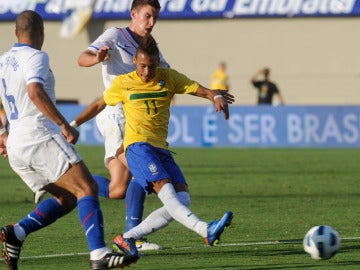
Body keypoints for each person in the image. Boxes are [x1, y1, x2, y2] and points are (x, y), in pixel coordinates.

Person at [71, 35, 234, 256]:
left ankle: (127, 238)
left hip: (161, 149)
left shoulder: (168, 77)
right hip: (138, 147)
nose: (147, 72)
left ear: (158, 62)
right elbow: (99, 104)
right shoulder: (123, 82)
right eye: (142, 66)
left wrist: (215, 96)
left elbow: (199, 89)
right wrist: (72, 124)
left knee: (182, 198)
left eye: (151, 66)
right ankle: (205, 229)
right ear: (135, 61)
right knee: (166, 193)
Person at [0, 10, 138, 270]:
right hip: (38, 137)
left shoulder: (3, 60)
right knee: (87, 188)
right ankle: (99, 254)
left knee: (69, 197)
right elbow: (34, 91)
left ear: (15, 33)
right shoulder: (37, 56)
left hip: (16, 144)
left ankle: (16, 233)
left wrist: (2, 132)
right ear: (42, 33)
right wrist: (64, 124)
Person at [74, 0, 170, 251]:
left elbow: (166, 74)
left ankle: (72, 183)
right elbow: (81, 58)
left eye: (155, 18)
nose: (151, 23)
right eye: (147, 16)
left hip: (136, 119)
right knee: (143, 170)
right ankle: (133, 237)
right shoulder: (116, 35)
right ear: (134, 14)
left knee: (117, 189)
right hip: (116, 114)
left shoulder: (149, 48)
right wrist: (97, 57)